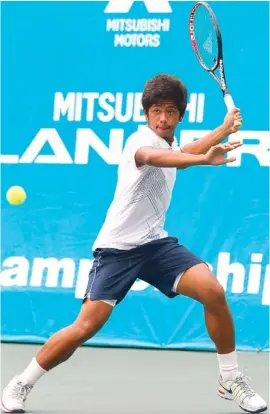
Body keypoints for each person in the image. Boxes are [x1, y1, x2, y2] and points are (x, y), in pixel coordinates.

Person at [1, 74, 267, 414]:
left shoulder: (170, 144)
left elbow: (180, 151)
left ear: (181, 115)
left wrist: (223, 129)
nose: (163, 119)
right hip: (117, 250)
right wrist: (205, 156)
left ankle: (231, 378)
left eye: (171, 112)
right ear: (146, 113)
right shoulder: (139, 143)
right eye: (156, 111)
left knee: (212, 290)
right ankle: (21, 383)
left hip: (154, 245)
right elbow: (165, 159)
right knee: (86, 326)